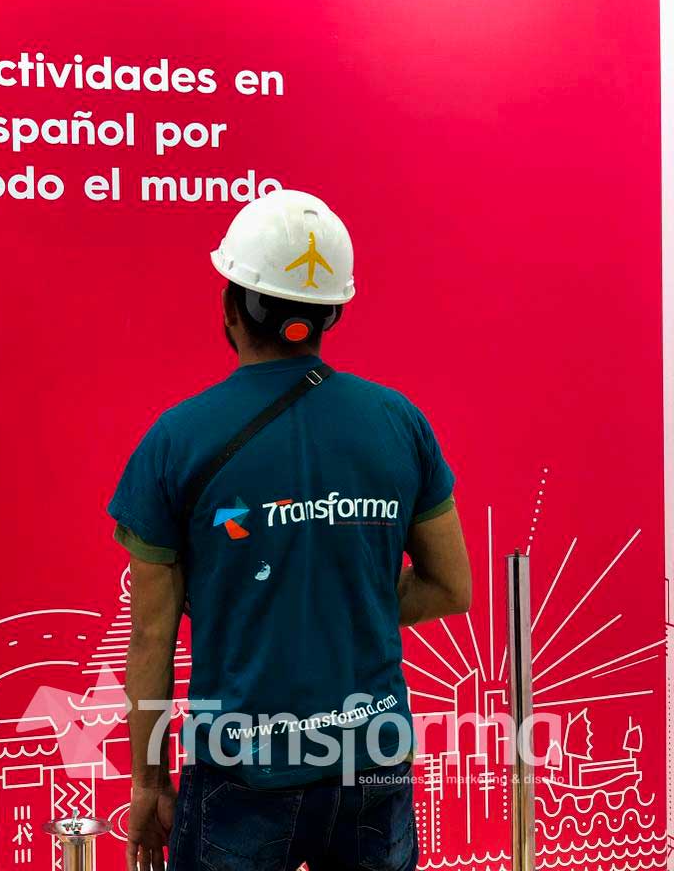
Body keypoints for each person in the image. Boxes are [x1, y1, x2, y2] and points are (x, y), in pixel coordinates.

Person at [108, 189, 472, 871]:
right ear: (332, 312)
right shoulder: (399, 423)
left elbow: (152, 636)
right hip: (371, 762)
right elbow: (451, 587)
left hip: (239, 772)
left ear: (231, 308)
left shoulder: (176, 440)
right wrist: (346, 608)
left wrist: (149, 784)